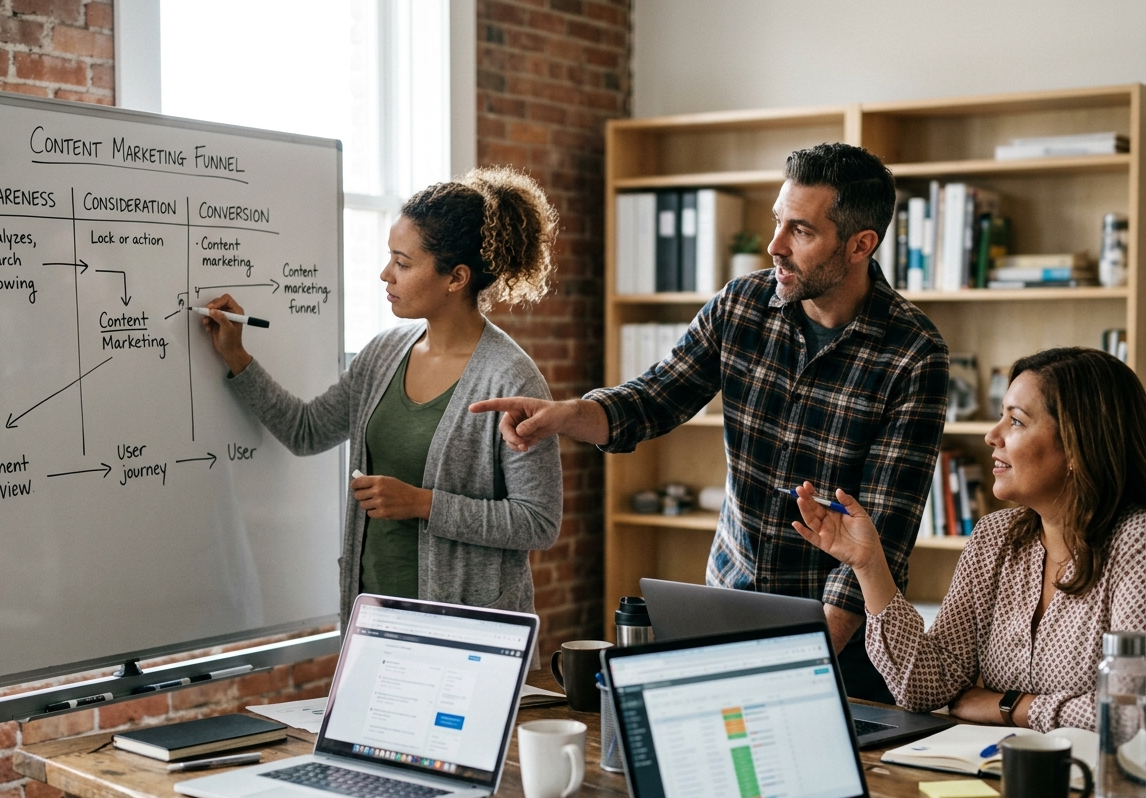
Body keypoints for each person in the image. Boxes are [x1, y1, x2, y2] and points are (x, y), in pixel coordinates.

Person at [471, 143, 949, 701]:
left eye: (800, 231)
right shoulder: (741, 305)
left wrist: (808, 659)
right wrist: (565, 415)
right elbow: (653, 399)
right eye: (778, 221)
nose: (774, 245)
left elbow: (882, 533)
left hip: (842, 645)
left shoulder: (915, 354)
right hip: (729, 605)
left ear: (860, 244)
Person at [200, 167, 563, 629]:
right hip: (372, 622)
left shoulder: (510, 378)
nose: (385, 274)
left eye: (403, 263)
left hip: (466, 634)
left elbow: (538, 522)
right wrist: (237, 356)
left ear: (456, 278)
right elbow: (306, 431)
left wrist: (423, 503)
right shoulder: (383, 353)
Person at [792, 347, 1146, 732]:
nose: (992, 435)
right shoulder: (995, 537)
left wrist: (1009, 707)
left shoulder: (1137, 542)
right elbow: (926, 687)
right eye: (1000, 417)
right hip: (993, 763)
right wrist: (869, 563)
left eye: (1016, 421)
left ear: (1079, 444)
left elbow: (1131, 713)